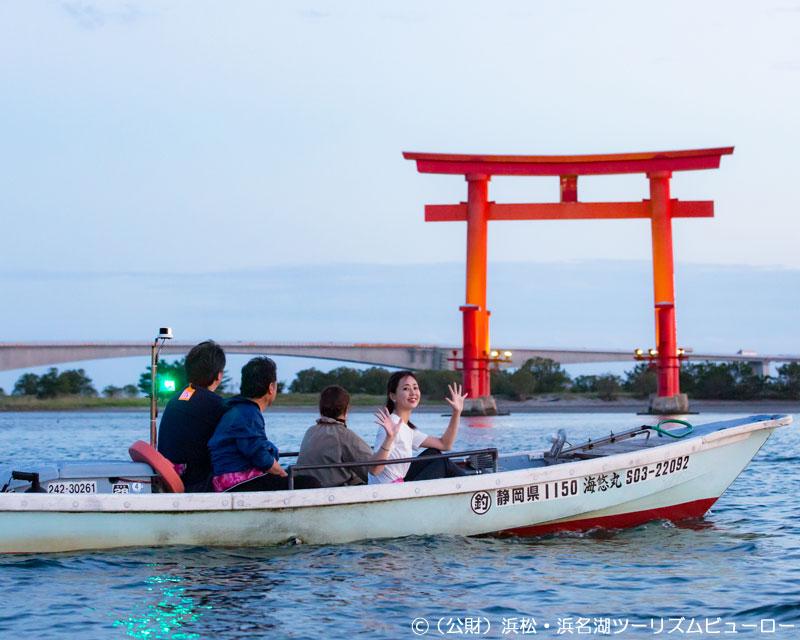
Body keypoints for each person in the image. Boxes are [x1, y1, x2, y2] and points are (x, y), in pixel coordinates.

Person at [208, 356, 318, 492]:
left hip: (230, 479)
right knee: (309, 483)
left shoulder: (237, 409)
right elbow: (258, 454)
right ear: (271, 388)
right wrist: (283, 474)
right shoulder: (247, 413)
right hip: (235, 482)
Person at [369, 371, 468, 484]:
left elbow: (445, 444)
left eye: (415, 388)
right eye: (406, 389)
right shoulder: (390, 425)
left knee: (434, 453)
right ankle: (472, 487)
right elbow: (374, 470)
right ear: (393, 396)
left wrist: (456, 412)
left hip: (400, 483)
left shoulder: (406, 428)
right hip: (388, 492)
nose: (413, 393)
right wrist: (389, 438)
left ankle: (469, 487)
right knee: (442, 462)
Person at [296, 385, 400, 488]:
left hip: (305, 489)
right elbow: (375, 469)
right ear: (346, 410)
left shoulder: (310, 431)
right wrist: (389, 438)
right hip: (332, 492)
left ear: (320, 409)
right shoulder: (343, 435)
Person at [157, 340, 226, 492]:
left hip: (170, 480)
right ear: (219, 375)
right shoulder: (217, 405)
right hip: (196, 484)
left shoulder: (176, 400)